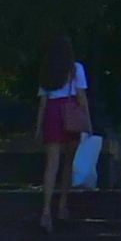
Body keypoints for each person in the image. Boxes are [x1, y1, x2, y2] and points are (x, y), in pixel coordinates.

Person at [34, 41, 90, 230]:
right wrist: (87, 122)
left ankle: (46, 210)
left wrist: (39, 127)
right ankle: (63, 204)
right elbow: (81, 96)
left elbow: (42, 102)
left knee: (52, 164)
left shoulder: (47, 71)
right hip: (70, 112)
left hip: (52, 112)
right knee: (68, 163)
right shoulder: (75, 69)